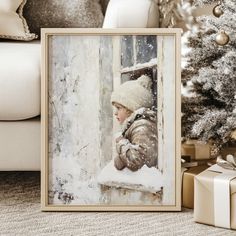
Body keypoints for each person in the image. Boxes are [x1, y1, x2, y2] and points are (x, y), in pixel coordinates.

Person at [110, 74, 158, 171]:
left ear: (131, 108)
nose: (115, 113)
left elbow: (136, 161)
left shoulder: (142, 127)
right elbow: (120, 163)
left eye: (119, 108)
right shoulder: (134, 126)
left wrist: (121, 142)